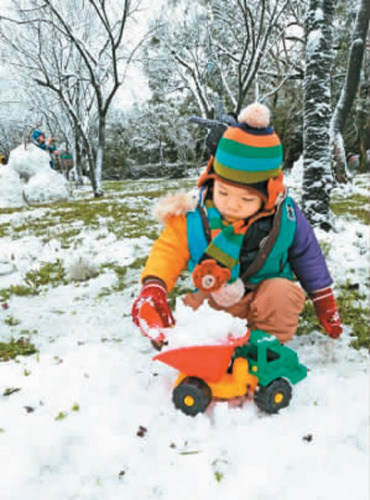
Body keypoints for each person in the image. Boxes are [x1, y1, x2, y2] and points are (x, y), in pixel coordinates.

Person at [131, 102, 343, 349]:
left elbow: (307, 254)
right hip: (217, 295)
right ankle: (210, 344)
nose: (232, 205)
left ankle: (266, 347)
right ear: (211, 180)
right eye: (223, 192)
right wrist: (154, 286)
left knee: (282, 295)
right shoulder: (194, 213)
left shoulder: (286, 215)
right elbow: (168, 250)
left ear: (268, 195)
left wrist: (323, 299)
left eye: (246, 199)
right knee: (196, 317)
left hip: (267, 294)